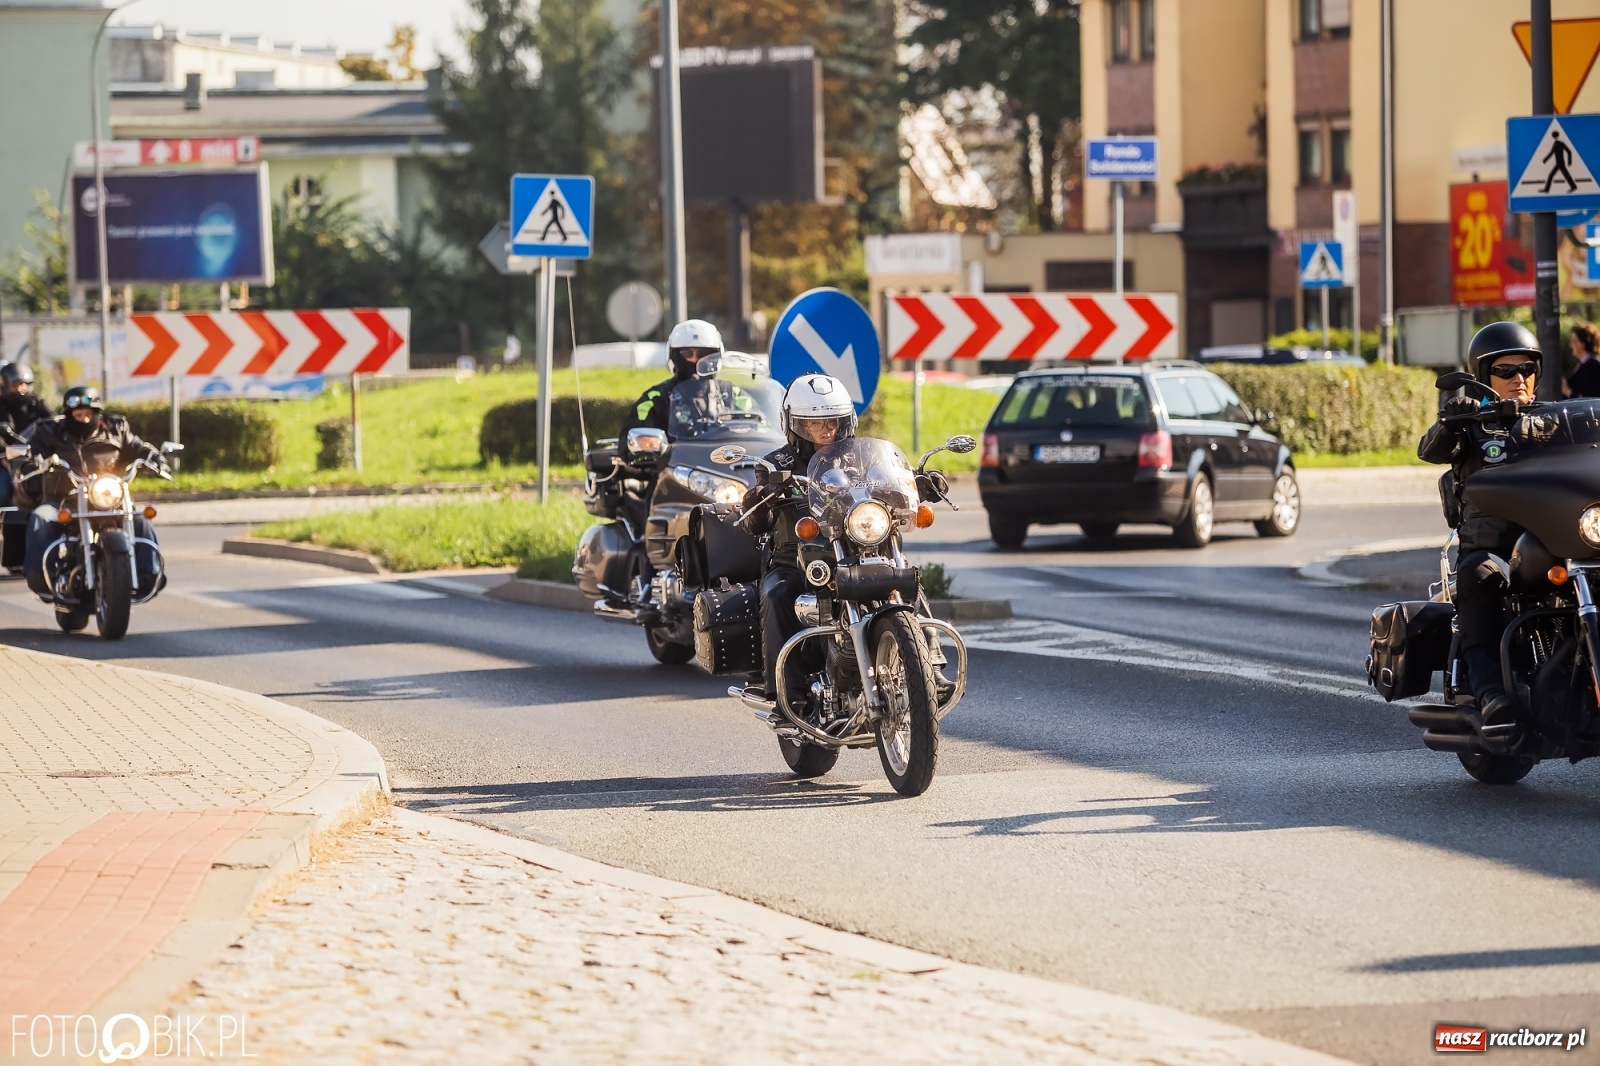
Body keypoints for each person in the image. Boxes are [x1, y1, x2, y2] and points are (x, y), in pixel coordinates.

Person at [1418, 321, 1546, 737]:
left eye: (1527, 369)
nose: (1519, 379)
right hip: (1494, 550)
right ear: (1483, 377)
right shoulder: (1472, 426)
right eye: (1506, 371)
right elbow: (1430, 450)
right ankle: (1492, 693)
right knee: (1477, 575)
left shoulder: (1555, 423)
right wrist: (1452, 421)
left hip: (1554, 543)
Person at [738, 374, 859, 703]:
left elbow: (888, 482)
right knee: (777, 593)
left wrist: (918, 482)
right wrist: (762, 494)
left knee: (903, 575)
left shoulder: (861, 458)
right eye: (812, 423)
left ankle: (928, 662)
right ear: (794, 425)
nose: (825, 430)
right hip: (796, 559)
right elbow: (756, 521)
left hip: (853, 550)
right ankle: (786, 694)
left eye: (833, 421)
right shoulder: (775, 463)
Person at [20, 386, 166, 599]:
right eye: (78, 415)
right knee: (41, 517)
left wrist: (156, 459)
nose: (85, 419)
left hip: (108, 497)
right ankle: (40, 575)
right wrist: (29, 465)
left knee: (140, 517)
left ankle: (149, 573)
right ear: (68, 414)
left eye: (89, 414)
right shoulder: (48, 430)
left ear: (98, 413)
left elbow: (139, 448)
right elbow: (30, 453)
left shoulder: (116, 428)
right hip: (62, 499)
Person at [622, 320, 724, 437]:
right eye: (687, 353)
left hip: (724, 454)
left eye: (704, 353)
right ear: (673, 356)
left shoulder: (732, 395)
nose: (695, 360)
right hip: (676, 455)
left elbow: (749, 423)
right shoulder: (654, 399)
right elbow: (632, 437)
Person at [0, 363, 53, 508]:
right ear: (4, 386)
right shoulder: (1, 406)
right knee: (2, 492)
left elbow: (55, 423)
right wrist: (3, 452)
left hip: (38, 458)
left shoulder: (38, 403)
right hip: (5, 463)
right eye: (15, 385)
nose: (20, 389)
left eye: (23, 385)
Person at [1566, 321, 1600, 398]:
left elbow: (1589, 397)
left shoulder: (1592, 365)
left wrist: (1568, 391)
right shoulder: (1582, 364)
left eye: (1574, 341)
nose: (1571, 344)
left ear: (1583, 343)